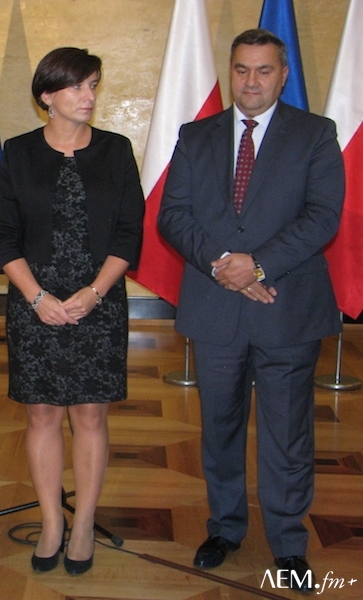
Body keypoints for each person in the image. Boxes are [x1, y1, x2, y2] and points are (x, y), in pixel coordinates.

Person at [158, 29, 344, 591]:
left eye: (264, 70)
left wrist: (257, 266)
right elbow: (173, 214)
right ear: (230, 71)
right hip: (215, 305)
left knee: (287, 432)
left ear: (283, 75)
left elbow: (322, 216)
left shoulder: (315, 134)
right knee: (219, 427)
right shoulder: (196, 135)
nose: (251, 81)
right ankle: (225, 528)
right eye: (242, 69)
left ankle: (288, 544)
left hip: (286, 307)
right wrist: (225, 266)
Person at [0, 47, 144, 575]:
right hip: (35, 303)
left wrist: (95, 292)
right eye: (78, 86)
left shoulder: (116, 150)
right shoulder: (18, 152)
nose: (89, 96)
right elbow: (3, 236)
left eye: (93, 85)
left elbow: (129, 233)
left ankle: (84, 525)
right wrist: (37, 297)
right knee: (41, 413)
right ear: (47, 96)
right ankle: (53, 521)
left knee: (90, 414)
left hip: (97, 302)